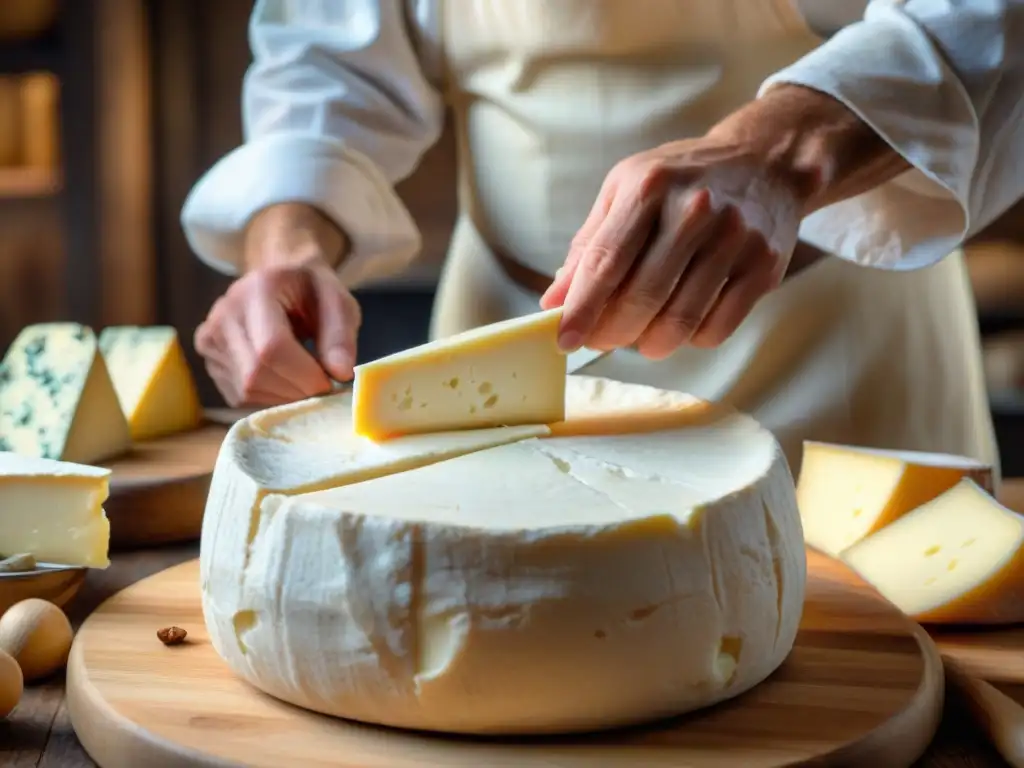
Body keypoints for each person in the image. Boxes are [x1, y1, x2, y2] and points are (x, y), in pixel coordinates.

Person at [181, 0, 1024, 479]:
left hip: (843, 343)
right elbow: (328, 59)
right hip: (507, 350)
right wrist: (287, 246)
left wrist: (779, 148)